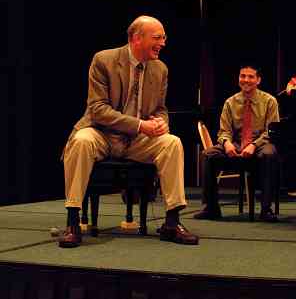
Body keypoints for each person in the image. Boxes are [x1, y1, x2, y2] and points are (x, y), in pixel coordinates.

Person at [59, 15, 199, 248]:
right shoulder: (104, 60)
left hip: (136, 140)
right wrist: (140, 125)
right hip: (101, 132)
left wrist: (162, 123)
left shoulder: (160, 69)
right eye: (157, 37)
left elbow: (161, 109)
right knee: (81, 141)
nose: (163, 42)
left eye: (164, 37)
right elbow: (98, 110)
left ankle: (172, 223)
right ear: (136, 38)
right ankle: (73, 221)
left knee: (172, 142)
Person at [194, 65, 280, 222]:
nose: (246, 80)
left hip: (260, 144)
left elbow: (271, 131)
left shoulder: (269, 101)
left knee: (269, 153)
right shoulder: (230, 102)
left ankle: (266, 209)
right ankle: (211, 208)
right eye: (242, 76)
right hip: (236, 144)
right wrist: (227, 143)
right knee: (208, 155)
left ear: (258, 80)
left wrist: (254, 145)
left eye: (250, 76)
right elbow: (223, 131)